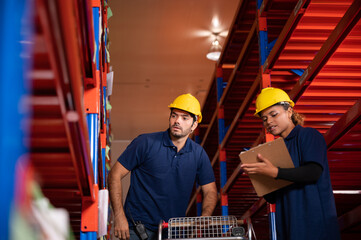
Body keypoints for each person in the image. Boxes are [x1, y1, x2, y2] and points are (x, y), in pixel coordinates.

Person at [108, 93, 218, 240]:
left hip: (173, 231)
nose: (177, 121)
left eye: (184, 118)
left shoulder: (198, 154)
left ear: (194, 125)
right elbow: (114, 174)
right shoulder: (145, 143)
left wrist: (205, 216)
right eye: (174, 115)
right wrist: (119, 216)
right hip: (137, 228)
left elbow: (210, 190)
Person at [241, 87, 341, 240]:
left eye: (274, 114)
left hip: (315, 227)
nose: (269, 121)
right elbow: (273, 197)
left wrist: (274, 172)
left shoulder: (308, 135)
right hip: (289, 227)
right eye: (264, 118)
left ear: (289, 111)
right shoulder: (275, 150)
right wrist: (258, 176)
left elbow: (312, 173)